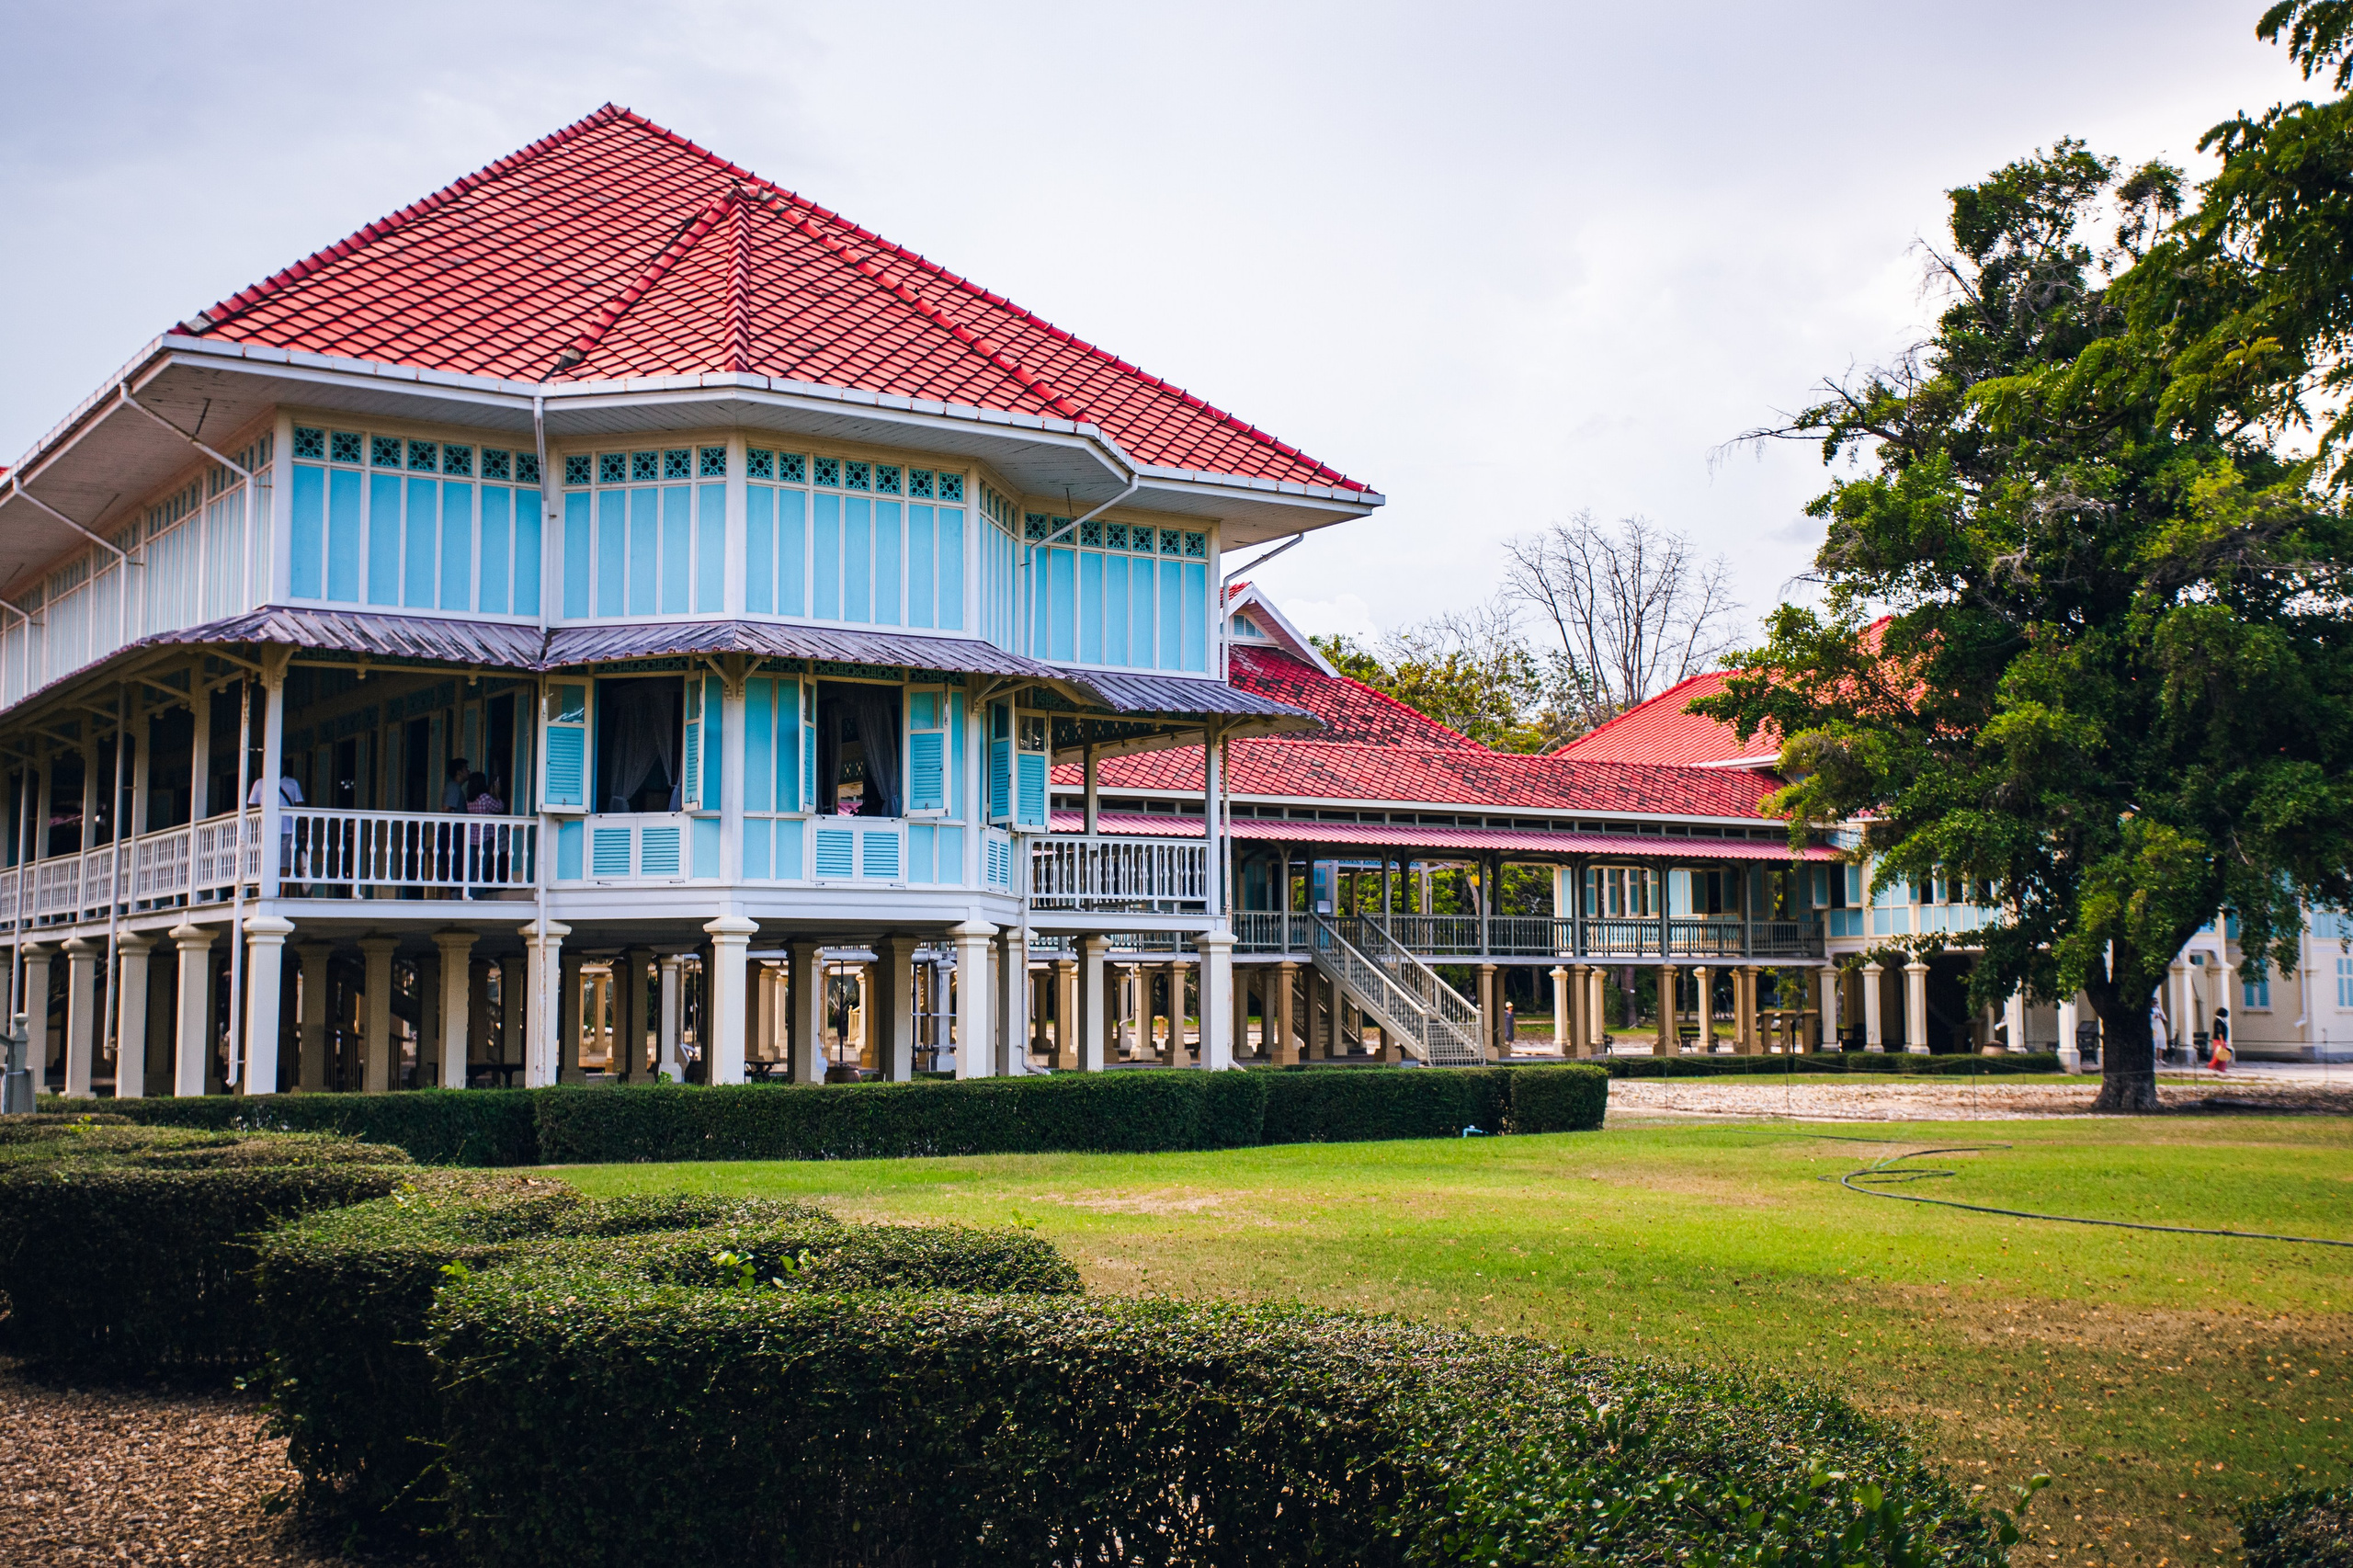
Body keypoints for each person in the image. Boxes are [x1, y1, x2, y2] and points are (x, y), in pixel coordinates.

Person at [2209, 1006, 2233, 1073]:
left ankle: (2221, 1068)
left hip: (2223, 1040)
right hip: (2219, 1040)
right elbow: (2219, 1031)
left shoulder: (2223, 1020)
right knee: (2218, 1054)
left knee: (2223, 1054)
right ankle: (2211, 1065)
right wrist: (2221, 1040)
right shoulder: (2217, 1021)